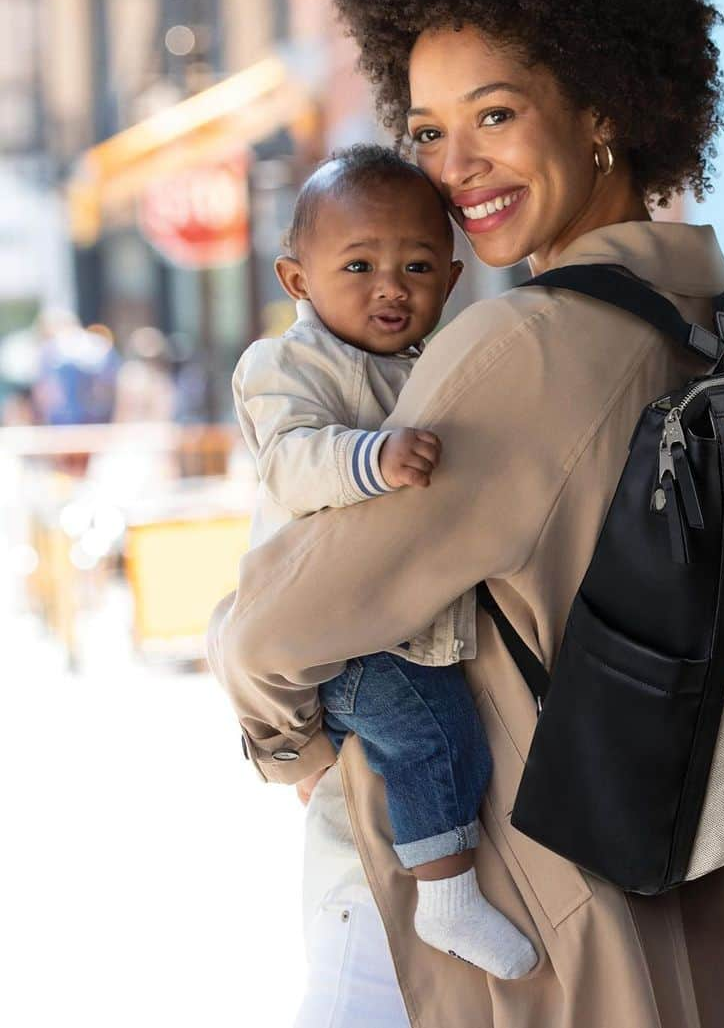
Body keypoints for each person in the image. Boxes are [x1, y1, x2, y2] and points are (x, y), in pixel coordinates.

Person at [209, 0, 724, 1027]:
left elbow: (274, 629)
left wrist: (288, 747)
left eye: (497, 113)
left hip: (493, 918)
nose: (454, 168)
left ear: (603, 103)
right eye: (427, 128)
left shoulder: (524, 348)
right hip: (679, 886)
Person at [230, 143, 537, 981]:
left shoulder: (442, 363)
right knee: (433, 739)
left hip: (395, 621)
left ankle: (443, 882)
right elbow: (291, 459)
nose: (390, 286)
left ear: (453, 274)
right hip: (339, 633)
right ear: (298, 280)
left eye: (415, 265)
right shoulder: (285, 364)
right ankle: (446, 897)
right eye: (359, 264)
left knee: (450, 746)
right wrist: (372, 457)